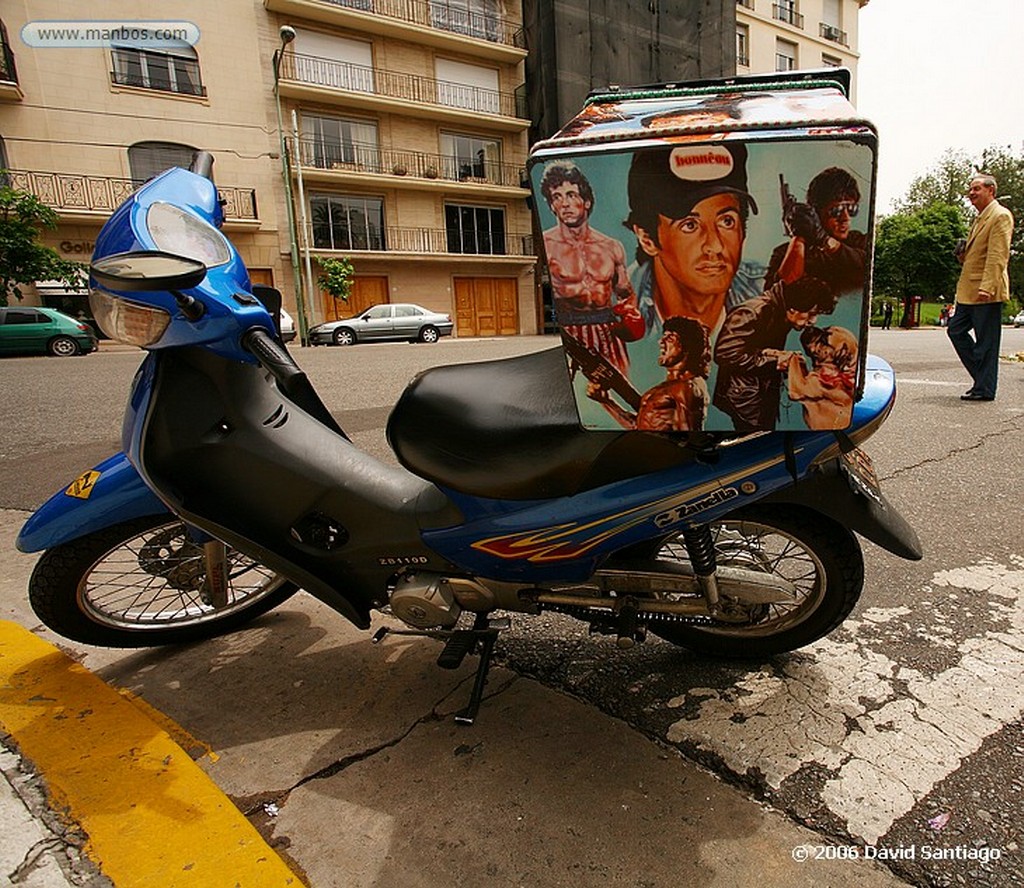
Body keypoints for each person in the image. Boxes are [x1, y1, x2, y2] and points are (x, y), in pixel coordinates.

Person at [625, 142, 759, 339]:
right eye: (690, 225)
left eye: (726, 221)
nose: (715, 245)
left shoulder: (765, 295)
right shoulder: (613, 306)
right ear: (647, 239)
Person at [540, 162, 642, 375]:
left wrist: (629, 317)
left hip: (607, 332)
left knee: (626, 395)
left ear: (586, 201)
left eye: (570, 195)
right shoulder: (547, 245)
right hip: (570, 334)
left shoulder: (611, 246)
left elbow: (626, 294)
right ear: (551, 206)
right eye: (556, 197)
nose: (564, 204)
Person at [712, 276, 837, 433]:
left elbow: (758, 349)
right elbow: (725, 353)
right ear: (793, 308)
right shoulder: (752, 312)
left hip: (760, 395)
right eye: (811, 313)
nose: (813, 321)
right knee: (753, 443)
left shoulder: (780, 311)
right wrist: (775, 360)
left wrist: (785, 360)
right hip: (744, 399)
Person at [948, 173, 1014, 402]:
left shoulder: (1000, 216)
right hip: (969, 291)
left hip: (985, 291)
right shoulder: (980, 218)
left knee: (986, 342)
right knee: (955, 330)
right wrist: (962, 254)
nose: (971, 193)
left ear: (991, 191)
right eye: (970, 189)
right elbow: (976, 256)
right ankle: (984, 379)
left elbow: (997, 256)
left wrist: (987, 287)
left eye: (976, 189)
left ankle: (985, 388)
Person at [589, 316, 711, 432]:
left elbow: (689, 437)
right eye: (663, 336)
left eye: (670, 338)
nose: (661, 342)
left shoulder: (687, 387)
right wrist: (606, 401)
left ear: (687, 345)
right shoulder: (668, 387)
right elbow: (638, 426)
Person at [767, 167, 867, 298]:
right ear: (816, 212)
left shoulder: (857, 241)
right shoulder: (784, 253)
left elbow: (866, 266)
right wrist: (798, 237)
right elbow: (776, 298)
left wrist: (824, 240)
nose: (845, 218)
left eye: (851, 209)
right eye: (836, 210)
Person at [784, 324, 859, 430]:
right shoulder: (823, 374)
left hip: (838, 423)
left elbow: (796, 392)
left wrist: (793, 360)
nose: (818, 351)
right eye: (812, 352)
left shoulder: (826, 379)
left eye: (822, 345)